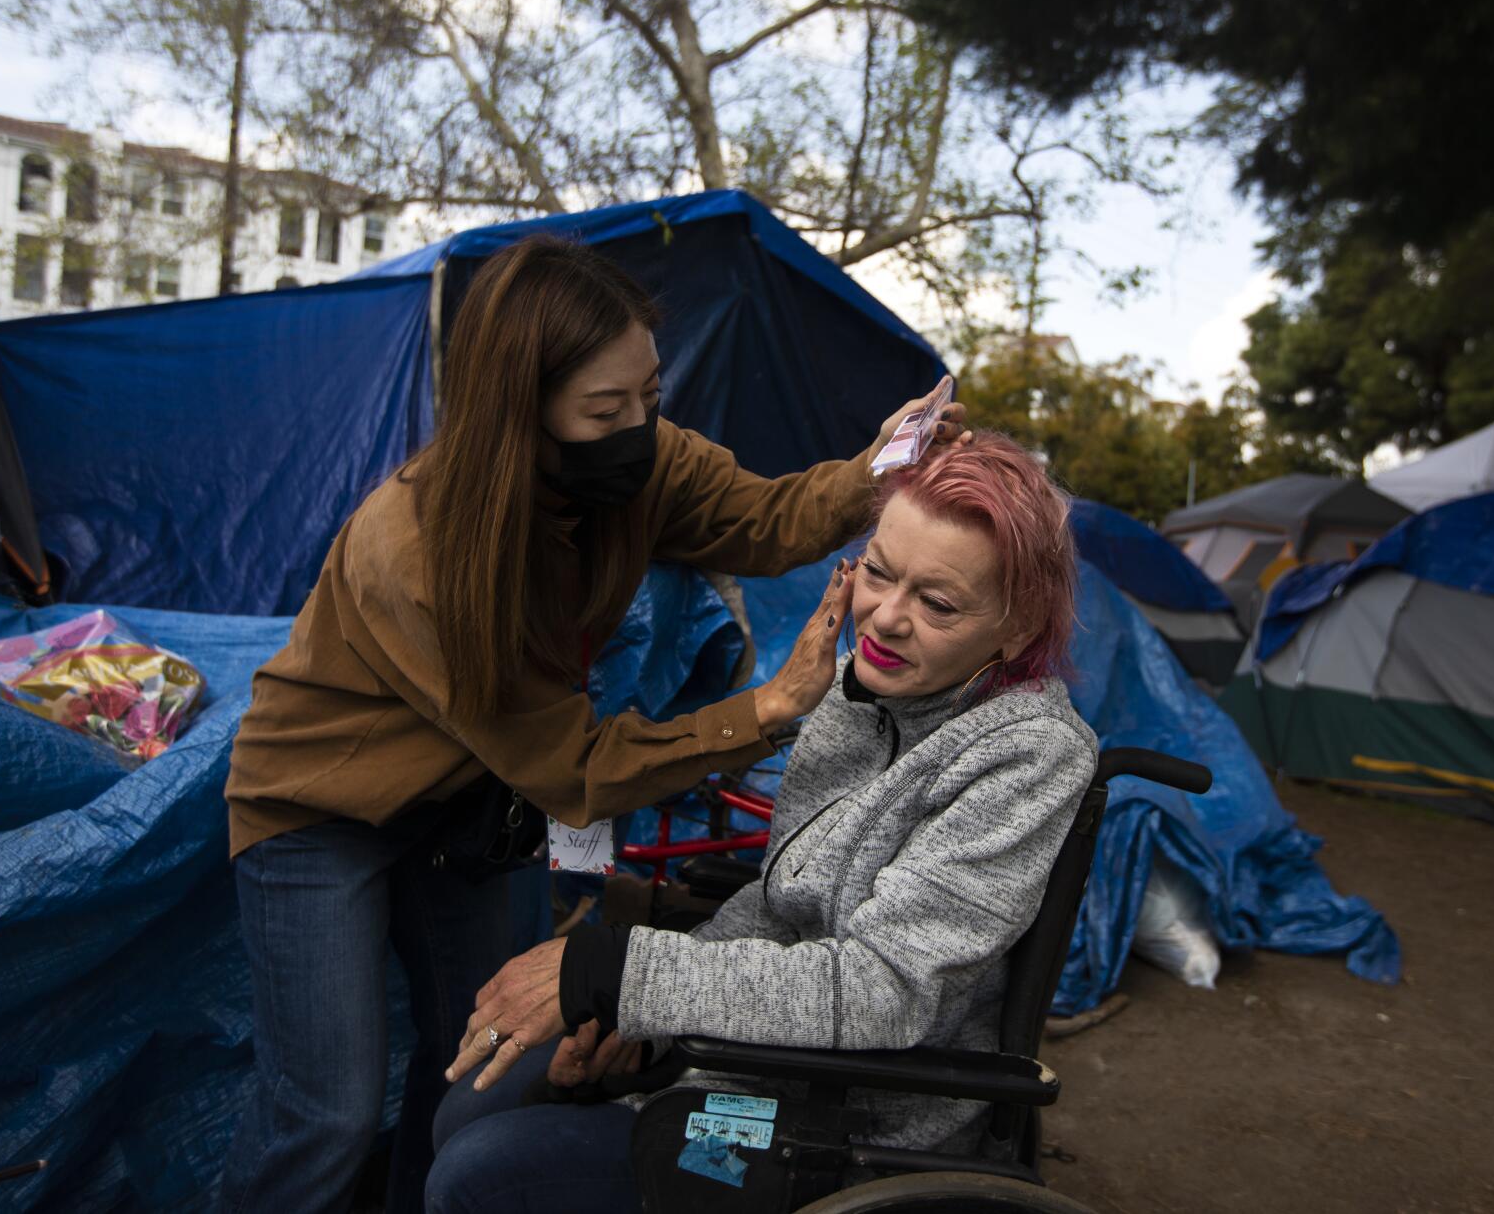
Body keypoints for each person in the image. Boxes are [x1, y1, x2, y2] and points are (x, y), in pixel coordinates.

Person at [215, 234, 967, 1214]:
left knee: (469, 1066)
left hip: (466, 801)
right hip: (319, 806)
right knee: (326, 1107)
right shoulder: (419, 555)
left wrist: (880, 468)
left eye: (649, 395)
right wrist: (769, 708)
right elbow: (569, 769)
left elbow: (763, 517)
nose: (640, 427)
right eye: (605, 410)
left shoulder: (640, 460)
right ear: (517, 415)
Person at [425, 432, 1096, 1214]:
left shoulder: (1028, 755)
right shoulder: (858, 691)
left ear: (1016, 630)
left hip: (847, 1119)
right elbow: (777, 907)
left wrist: (625, 972)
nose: (885, 617)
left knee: (478, 1174)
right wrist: (647, 1030)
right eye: (878, 573)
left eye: (938, 603)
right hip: (748, 1057)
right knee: (473, 1104)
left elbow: (886, 990)